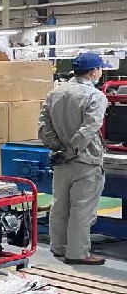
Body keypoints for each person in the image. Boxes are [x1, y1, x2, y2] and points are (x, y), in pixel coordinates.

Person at [39, 51, 108, 265]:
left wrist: (58, 149)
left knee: (60, 205)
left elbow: (44, 127)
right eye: (100, 69)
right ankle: (78, 253)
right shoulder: (95, 96)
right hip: (86, 161)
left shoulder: (55, 93)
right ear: (94, 71)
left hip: (61, 161)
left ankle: (58, 247)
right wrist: (71, 150)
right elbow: (89, 129)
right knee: (82, 209)